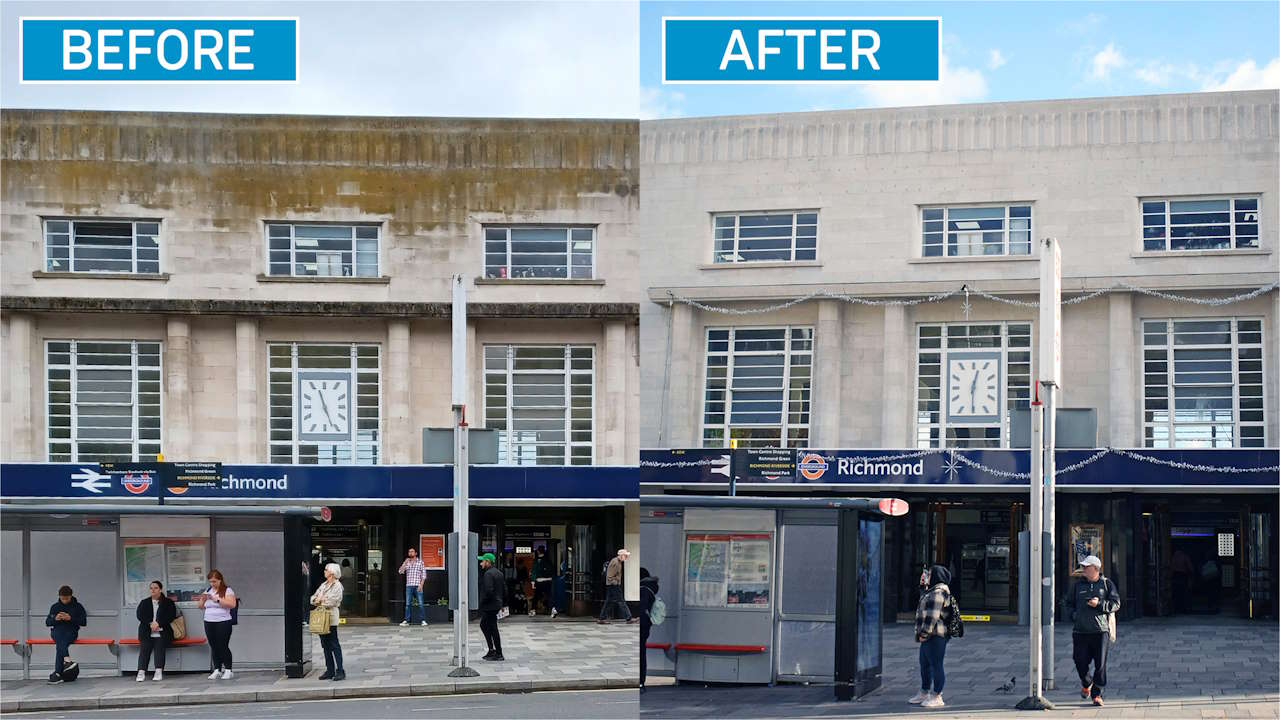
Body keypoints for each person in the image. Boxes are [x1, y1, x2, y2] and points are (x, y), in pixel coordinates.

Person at [1071, 555, 1120, 706]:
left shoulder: (1106, 584)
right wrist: (1074, 615)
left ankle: (1097, 694)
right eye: (1083, 567)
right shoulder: (1077, 585)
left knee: (1100, 665)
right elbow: (1067, 602)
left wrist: (1100, 604)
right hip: (1080, 631)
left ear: (1096, 569)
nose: (1084, 569)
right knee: (1079, 661)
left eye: (1087, 567)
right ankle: (1087, 683)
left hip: (1100, 631)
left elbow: (1116, 603)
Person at [910, 564, 953, 709]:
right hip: (930, 635)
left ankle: (937, 695)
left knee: (936, 665)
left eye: (928, 574)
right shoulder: (932, 591)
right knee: (924, 663)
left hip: (936, 635)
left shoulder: (938, 593)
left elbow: (932, 616)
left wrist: (924, 633)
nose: (925, 576)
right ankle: (924, 691)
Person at [135, 580, 177, 682]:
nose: (153, 590)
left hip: (163, 632)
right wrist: (150, 623)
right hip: (147, 632)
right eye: (151, 588)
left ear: (160, 589)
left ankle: (158, 671)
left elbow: (171, 615)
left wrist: (159, 623)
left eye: (156, 588)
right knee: (145, 648)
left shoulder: (168, 602)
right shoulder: (144, 602)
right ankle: (141, 672)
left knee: (159, 647)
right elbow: (140, 615)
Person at [311, 562, 346, 681]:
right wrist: (319, 600)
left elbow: (334, 601)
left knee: (334, 644)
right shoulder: (324, 585)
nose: (324, 571)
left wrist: (320, 600)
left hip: (331, 618)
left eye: (326, 569)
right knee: (325, 645)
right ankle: (329, 669)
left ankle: (340, 670)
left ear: (331, 572)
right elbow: (313, 598)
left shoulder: (337, 586)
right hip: (321, 618)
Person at [44, 585, 86, 684]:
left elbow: (83, 622)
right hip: (57, 631)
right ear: (59, 596)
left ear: (71, 596)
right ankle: (67, 661)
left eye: (67, 598)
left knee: (60, 644)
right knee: (59, 639)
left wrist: (70, 618)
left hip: (71, 632)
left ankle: (58, 673)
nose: (64, 600)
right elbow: (47, 622)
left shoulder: (78, 606)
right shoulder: (55, 607)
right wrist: (55, 619)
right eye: (62, 598)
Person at [200, 569, 237, 680]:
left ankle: (228, 669)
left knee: (222, 645)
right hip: (209, 621)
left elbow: (232, 604)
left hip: (223, 621)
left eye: (215, 581)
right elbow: (200, 606)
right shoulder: (208, 590)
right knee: (214, 645)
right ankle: (217, 669)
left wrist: (217, 599)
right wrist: (203, 599)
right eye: (211, 581)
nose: (212, 584)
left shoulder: (227, 590)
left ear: (220, 580)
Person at [478, 553, 505, 661]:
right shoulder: (499, 573)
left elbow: (489, 590)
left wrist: (483, 602)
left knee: (492, 627)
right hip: (496, 604)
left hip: (490, 605)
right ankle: (492, 650)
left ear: (488, 562)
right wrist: (503, 603)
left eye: (482, 561)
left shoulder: (488, 574)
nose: (481, 564)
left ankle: (497, 652)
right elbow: (504, 589)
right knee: (485, 625)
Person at [598, 548, 634, 624]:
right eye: (625, 556)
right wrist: (616, 583)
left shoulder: (617, 562)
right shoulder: (616, 562)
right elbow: (609, 575)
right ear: (621, 555)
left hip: (612, 585)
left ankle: (602, 618)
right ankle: (628, 618)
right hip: (613, 585)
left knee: (609, 602)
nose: (626, 557)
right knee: (621, 601)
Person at [639, 568, 660, 691]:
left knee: (640, 653)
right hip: (645, 625)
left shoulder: (643, 589)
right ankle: (641, 681)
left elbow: (641, 607)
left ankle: (640, 681)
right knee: (642, 652)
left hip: (641, 625)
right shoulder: (650, 588)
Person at [398, 547, 427, 626]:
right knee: (407, 604)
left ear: (416, 553)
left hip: (418, 585)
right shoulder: (407, 562)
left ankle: (423, 620)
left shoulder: (420, 562)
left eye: (412, 551)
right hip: (409, 586)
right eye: (409, 552)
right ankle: (406, 620)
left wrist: (421, 585)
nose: (410, 553)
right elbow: (400, 571)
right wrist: (404, 563)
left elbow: (424, 575)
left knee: (420, 603)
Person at [531, 547, 553, 616]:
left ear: (538, 552)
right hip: (548, 580)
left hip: (539, 581)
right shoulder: (548, 560)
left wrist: (533, 582)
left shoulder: (536, 561)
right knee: (548, 595)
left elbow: (534, 571)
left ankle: (533, 610)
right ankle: (550, 609)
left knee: (536, 596)